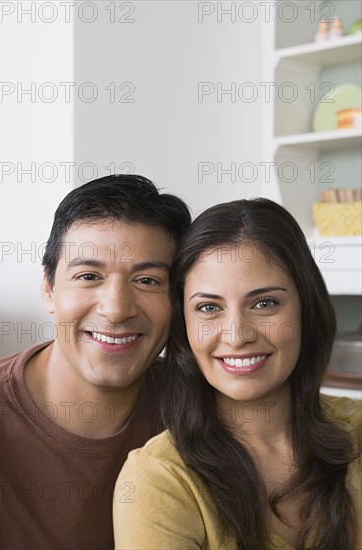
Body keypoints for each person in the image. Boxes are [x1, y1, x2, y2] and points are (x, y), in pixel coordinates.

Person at [113, 198, 361, 550]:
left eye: (264, 303)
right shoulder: (157, 480)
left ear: (307, 308)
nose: (237, 335)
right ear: (185, 325)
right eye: (209, 307)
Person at [0, 174, 191, 550]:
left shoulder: (202, 408)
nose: (116, 309)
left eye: (148, 281)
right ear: (49, 289)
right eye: (89, 276)